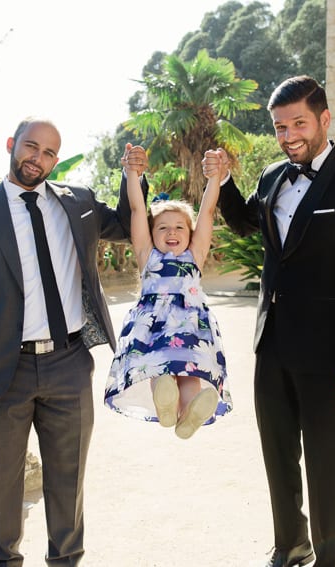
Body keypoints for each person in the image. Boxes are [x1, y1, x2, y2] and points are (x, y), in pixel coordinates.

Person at [0, 117, 145, 566]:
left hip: (69, 364)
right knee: (0, 483)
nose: (37, 159)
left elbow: (127, 224)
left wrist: (132, 176)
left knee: (68, 479)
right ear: (11, 144)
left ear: (55, 160)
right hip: (2, 370)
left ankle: (66, 560)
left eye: (48, 153)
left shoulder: (79, 202)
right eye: (30, 147)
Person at [202, 75, 335, 566]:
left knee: (327, 465)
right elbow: (246, 222)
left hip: (329, 355)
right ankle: (291, 545)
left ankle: (329, 560)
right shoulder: (272, 177)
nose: (288, 136)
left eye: (299, 124)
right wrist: (223, 183)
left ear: (324, 119)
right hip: (272, 344)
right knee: (277, 454)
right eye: (280, 127)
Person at [104, 144, 232, 439]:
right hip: (154, 325)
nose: (171, 232)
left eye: (179, 227)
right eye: (162, 228)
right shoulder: (147, 255)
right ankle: (167, 402)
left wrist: (215, 177)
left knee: (190, 373)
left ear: (190, 233)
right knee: (159, 368)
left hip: (190, 325)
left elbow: (207, 211)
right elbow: (137, 209)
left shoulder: (195, 255)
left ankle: (188, 413)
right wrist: (132, 173)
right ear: (151, 234)